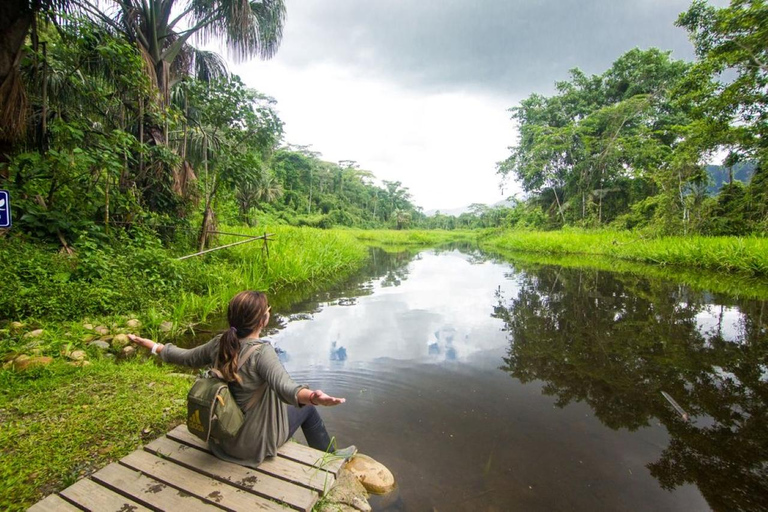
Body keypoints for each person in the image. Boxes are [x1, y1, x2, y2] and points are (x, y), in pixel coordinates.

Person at [127, 290, 355, 468]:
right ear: (262, 321)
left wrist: (154, 346)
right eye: (268, 310)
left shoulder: (219, 343)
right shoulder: (261, 352)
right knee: (306, 410)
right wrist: (314, 397)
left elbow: (185, 357)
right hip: (251, 447)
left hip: (220, 440)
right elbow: (288, 390)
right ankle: (331, 456)